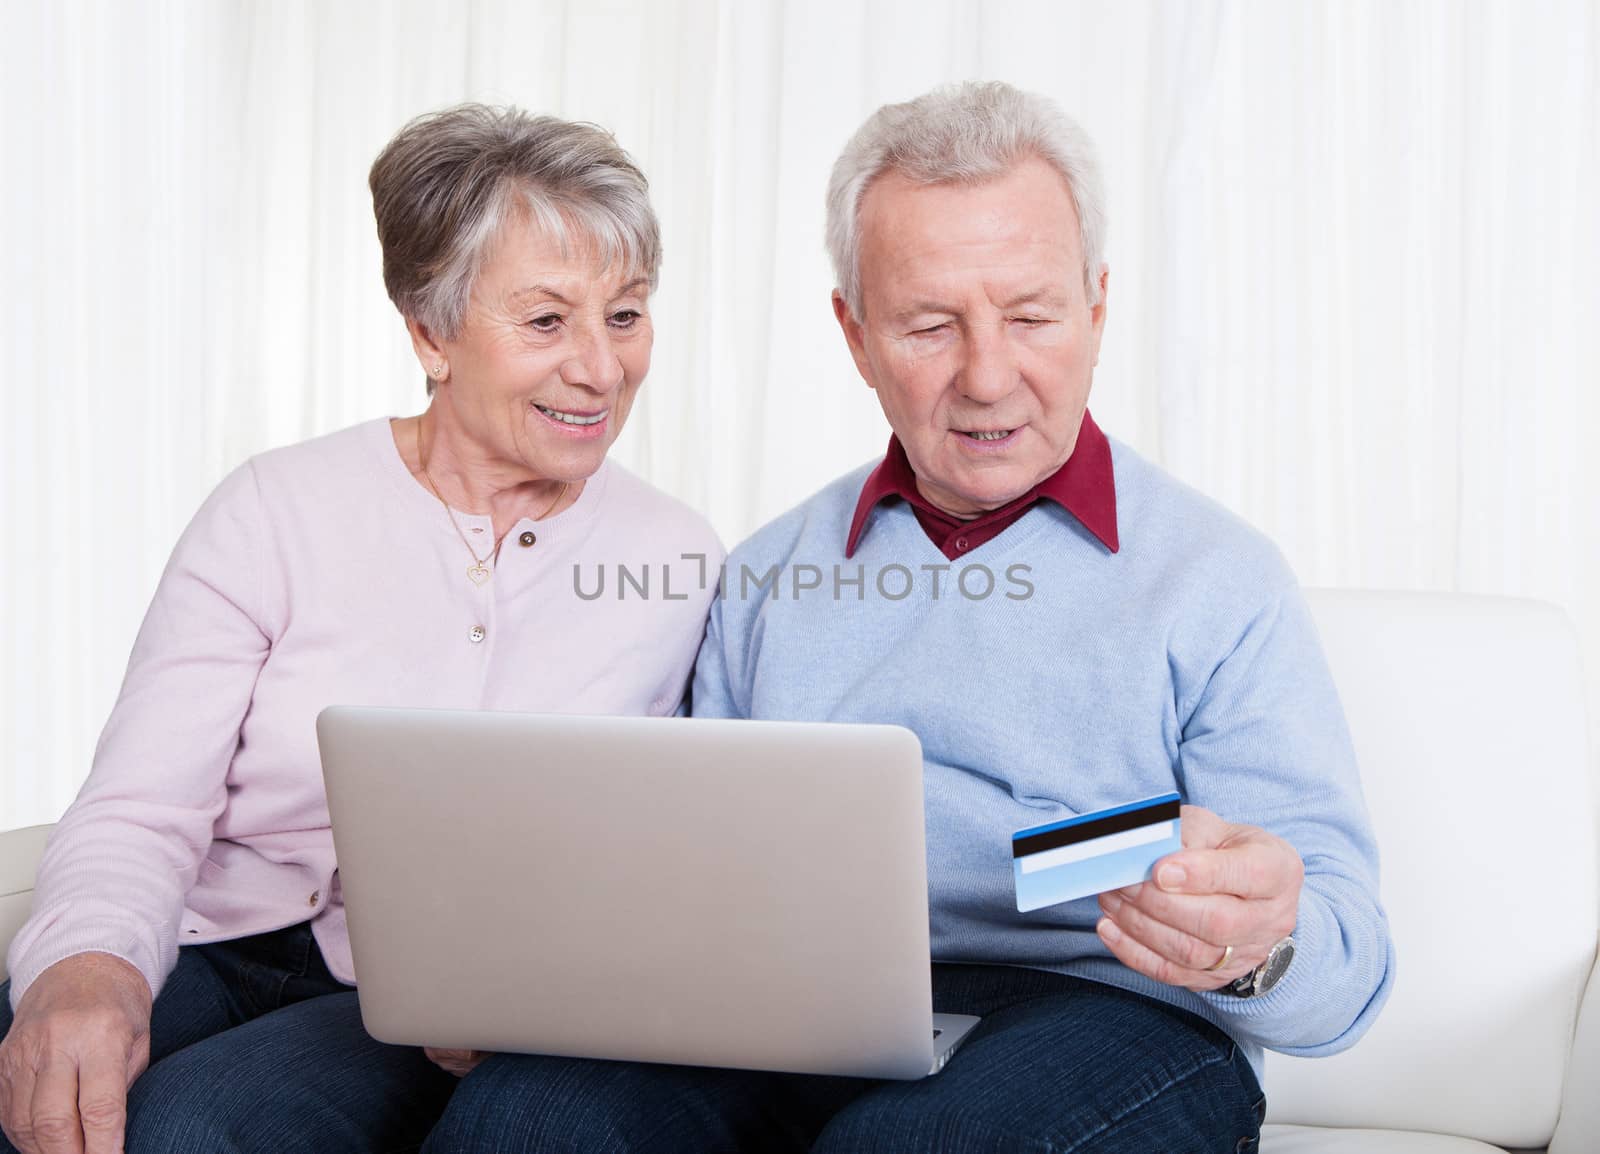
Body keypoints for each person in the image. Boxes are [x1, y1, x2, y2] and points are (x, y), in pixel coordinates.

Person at [421, 82, 1394, 1154]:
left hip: (1112, 1012)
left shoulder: (1218, 579)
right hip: (799, 1015)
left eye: (1031, 316)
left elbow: (1344, 972)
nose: (987, 376)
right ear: (855, 333)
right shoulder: (766, 574)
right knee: (521, 1118)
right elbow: (692, 878)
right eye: (931, 326)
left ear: (1097, 308)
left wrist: (1257, 942)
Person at [0, 104, 721, 1154]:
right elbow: (142, 804)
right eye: (546, 320)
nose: (601, 370)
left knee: (183, 1129)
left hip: (423, 1008)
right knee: (34, 1079)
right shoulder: (275, 508)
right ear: (429, 332)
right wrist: (86, 966)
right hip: (207, 937)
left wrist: (532, 975)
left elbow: (666, 857)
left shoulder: (677, 559)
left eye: (625, 314)